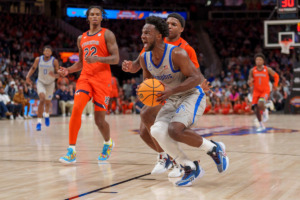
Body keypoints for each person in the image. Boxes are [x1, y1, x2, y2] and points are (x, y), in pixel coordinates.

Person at [139, 16, 229, 186]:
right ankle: (189, 167)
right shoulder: (145, 58)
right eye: (142, 33)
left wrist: (171, 90)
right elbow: (149, 84)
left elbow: (196, 78)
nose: (143, 36)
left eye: (147, 33)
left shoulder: (177, 53)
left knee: (175, 130)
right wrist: (144, 92)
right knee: (156, 130)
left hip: (191, 95)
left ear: (158, 35)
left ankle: (214, 149)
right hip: (172, 97)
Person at [122, 13, 201, 178]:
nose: (170, 26)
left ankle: (172, 159)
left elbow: (194, 75)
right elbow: (138, 66)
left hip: (176, 93)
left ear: (181, 29)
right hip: (157, 90)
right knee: (144, 132)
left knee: (147, 115)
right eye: (168, 23)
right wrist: (130, 67)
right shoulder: (151, 43)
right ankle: (170, 158)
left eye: (174, 24)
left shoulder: (185, 49)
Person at [58, 5, 119, 164]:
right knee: (76, 109)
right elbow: (80, 63)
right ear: (87, 18)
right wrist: (68, 70)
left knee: (99, 121)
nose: (94, 17)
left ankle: (108, 142)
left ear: (101, 17)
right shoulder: (81, 38)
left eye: (97, 14)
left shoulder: (108, 34)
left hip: (102, 80)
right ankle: (71, 151)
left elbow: (116, 59)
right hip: (85, 78)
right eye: (91, 14)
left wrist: (99, 59)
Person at [26, 46, 59, 131]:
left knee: (48, 103)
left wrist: (54, 75)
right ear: (43, 52)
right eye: (46, 51)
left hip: (50, 83)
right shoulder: (38, 59)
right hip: (41, 82)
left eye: (49, 51)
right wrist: (27, 76)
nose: (47, 52)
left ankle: (47, 115)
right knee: (42, 99)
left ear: (51, 53)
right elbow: (33, 68)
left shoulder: (54, 61)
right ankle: (39, 122)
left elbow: (59, 74)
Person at [248, 53, 279, 131]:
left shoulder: (267, 69)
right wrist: (250, 82)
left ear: (263, 61)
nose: (258, 61)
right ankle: (261, 125)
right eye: (257, 60)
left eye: (260, 60)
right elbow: (250, 83)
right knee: (256, 109)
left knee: (260, 104)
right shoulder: (252, 70)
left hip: (265, 91)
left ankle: (266, 108)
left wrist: (275, 84)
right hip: (256, 91)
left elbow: (276, 76)